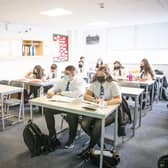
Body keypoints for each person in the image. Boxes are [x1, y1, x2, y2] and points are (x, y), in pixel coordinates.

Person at [79, 66, 122, 157]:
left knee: (98, 126)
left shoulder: (113, 84)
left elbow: (118, 100)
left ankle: (89, 148)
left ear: (107, 74)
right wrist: (94, 99)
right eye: (98, 75)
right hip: (96, 109)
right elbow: (86, 96)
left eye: (101, 75)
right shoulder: (95, 83)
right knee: (84, 124)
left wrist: (106, 102)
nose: (99, 77)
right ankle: (99, 143)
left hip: (111, 111)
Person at [44, 65, 85, 149]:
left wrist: (62, 93)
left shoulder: (80, 81)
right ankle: (52, 134)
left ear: (73, 74)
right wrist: (50, 92)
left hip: (75, 106)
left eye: (67, 73)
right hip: (62, 104)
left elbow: (77, 93)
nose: (65, 75)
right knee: (48, 110)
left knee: (71, 115)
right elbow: (54, 89)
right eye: (64, 73)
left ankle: (71, 138)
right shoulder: (63, 80)